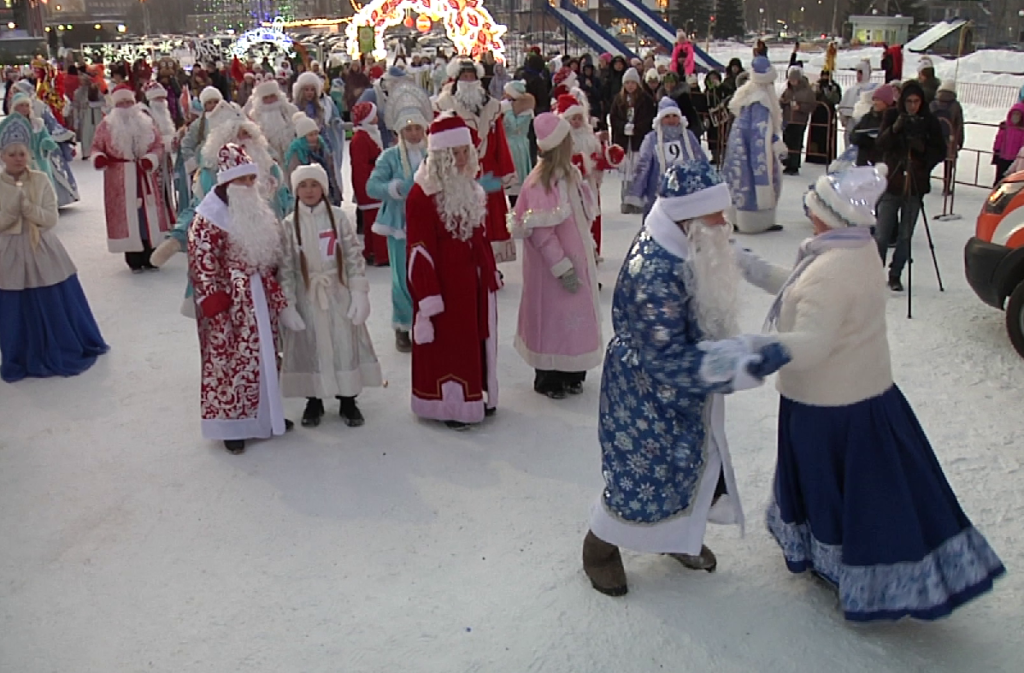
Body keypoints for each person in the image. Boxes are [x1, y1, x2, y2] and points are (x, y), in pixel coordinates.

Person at [740, 164, 1005, 622]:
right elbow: (799, 288)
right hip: (863, 394)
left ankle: (843, 567)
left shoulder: (832, 269)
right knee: (875, 487)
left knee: (837, 488)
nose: (808, 211)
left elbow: (813, 344)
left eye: (815, 205)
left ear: (830, 214)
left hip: (829, 407)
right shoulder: (854, 249)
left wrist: (756, 349)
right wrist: (752, 267)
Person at [581, 160, 790, 596]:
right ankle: (599, 547)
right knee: (641, 480)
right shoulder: (655, 272)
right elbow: (668, 359)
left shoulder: (686, 237)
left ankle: (676, 537)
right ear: (690, 217)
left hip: (679, 392)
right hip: (646, 392)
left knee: (689, 469)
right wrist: (744, 359)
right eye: (716, 214)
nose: (723, 222)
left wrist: (774, 276)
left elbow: (725, 256)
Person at [188, 143, 300, 455]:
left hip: (261, 296)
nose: (249, 186)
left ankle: (268, 416)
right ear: (227, 182)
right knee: (230, 364)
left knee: (265, 358)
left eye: (252, 179)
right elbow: (203, 262)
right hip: (231, 305)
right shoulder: (207, 218)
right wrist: (216, 302)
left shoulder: (257, 210)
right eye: (242, 181)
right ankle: (232, 426)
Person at [405, 112, 501, 430]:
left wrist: (488, 270)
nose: (460, 160)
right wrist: (428, 297)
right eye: (453, 154)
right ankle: (449, 404)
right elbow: (419, 252)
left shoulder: (470, 187)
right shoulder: (422, 195)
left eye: (464, 152)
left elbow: (479, 235)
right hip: (445, 284)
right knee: (451, 343)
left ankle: (474, 394)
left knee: (473, 339)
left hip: (471, 280)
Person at [0, 113, 108, 383]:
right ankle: (20, 352)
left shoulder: (40, 180)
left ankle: (60, 343)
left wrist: (29, 209)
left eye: (22, 153)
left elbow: (50, 218)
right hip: (9, 253)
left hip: (42, 248)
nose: (17, 158)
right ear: (3, 156)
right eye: (12, 153)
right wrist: (13, 211)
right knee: (13, 302)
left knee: (53, 296)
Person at [279, 163, 382, 428]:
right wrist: (288, 303)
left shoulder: (337, 217)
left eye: (314, 184)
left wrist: (358, 291)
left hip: (338, 291)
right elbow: (287, 267)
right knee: (309, 344)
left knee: (343, 343)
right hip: (307, 294)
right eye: (303, 185)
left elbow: (351, 254)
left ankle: (348, 397)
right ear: (296, 190)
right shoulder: (290, 224)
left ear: (324, 188)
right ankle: (313, 399)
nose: (309, 190)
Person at [509, 112, 601, 399]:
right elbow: (541, 232)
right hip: (553, 270)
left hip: (577, 259)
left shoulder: (569, 175)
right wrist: (561, 266)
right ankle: (549, 374)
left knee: (575, 317)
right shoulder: (539, 183)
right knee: (552, 318)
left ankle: (573, 369)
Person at [365, 85, 431, 352]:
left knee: (427, 274)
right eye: (408, 129)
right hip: (399, 226)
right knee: (402, 277)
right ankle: (403, 325)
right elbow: (372, 186)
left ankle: (427, 321)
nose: (414, 133)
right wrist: (395, 188)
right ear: (400, 131)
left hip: (428, 224)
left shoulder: (433, 154)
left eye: (418, 128)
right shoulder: (390, 157)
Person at [436, 57, 518, 264]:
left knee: (492, 220)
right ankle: (468, 261)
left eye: (472, 76)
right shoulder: (446, 106)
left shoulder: (492, 107)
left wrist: (505, 170)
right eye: (464, 76)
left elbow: (500, 140)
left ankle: (491, 264)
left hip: (489, 170)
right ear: (456, 79)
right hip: (460, 170)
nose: (469, 80)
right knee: (466, 217)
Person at [874, 81, 946, 291]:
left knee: (906, 235)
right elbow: (881, 144)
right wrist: (895, 130)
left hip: (915, 184)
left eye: (916, 102)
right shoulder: (892, 116)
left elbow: (940, 151)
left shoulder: (929, 121)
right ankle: (874, 274)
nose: (912, 106)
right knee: (881, 234)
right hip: (892, 181)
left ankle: (895, 274)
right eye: (908, 101)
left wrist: (923, 152)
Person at [91, 84, 170, 272]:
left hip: (145, 177)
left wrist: (151, 159)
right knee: (127, 215)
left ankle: (151, 253)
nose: (126, 106)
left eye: (129, 102)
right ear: (115, 105)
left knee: (146, 215)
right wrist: (99, 158)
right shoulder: (106, 125)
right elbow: (96, 146)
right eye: (122, 103)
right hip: (119, 178)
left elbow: (158, 145)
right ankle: (133, 256)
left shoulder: (147, 123)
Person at [557, 93, 624, 259]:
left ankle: (593, 251)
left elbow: (600, 158)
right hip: (571, 185)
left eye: (580, 118)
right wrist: (582, 162)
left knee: (592, 214)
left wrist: (609, 155)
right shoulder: (563, 139)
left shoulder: (590, 136)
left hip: (590, 184)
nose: (577, 122)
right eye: (573, 118)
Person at [724, 57, 786, 234]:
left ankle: (736, 218)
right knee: (755, 183)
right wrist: (775, 143)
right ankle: (757, 222)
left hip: (738, 149)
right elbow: (760, 134)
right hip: (753, 150)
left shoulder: (747, 94)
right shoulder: (761, 101)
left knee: (739, 183)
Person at [629, 97, 706, 219]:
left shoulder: (688, 137)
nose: (671, 120)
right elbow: (642, 167)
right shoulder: (651, 139)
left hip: (685, 193)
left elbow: (701, 161)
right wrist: (636, 192)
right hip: (658, 194)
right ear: (660, 119)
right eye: (667, 116)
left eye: (674, 116)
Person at [610, 67, 656, 214]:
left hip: (638, 141)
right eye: (627, 83)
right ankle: (625, 200)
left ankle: (637, 200)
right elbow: (613, 117)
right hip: (624, 141)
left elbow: (649, 119)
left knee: (638, 170)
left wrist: (636, 128)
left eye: (633, 83)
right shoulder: (619, 99)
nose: (630, 86)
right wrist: (623, 127)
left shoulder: (645, 99)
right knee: (626, 171)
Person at [293, 71, 346, 199]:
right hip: (302, 151)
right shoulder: (294, 108)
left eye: (312, 89)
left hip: (320, 149)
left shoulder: (319, 108)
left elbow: (324, 130)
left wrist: (328, 149)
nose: (309, 93)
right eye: (306, 89)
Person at [348, 101, 388, 267]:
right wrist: (366, 189)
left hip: (374, 182)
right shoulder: (361, 139)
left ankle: (372, 251)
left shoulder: (368, 134)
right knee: (376, 220)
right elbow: (360, 167)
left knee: (372, 221)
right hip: (370, 186)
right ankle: (380, 254)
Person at [284, 111, 341, 205]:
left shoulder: (322, 148)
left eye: (316, 133)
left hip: (327, 194)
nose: (314, 137)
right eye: (310, 135)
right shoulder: (296, 153)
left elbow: (331, 173)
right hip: (308, 196)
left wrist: (336, 193)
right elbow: (293, 178)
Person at [143, 82, 179, 223]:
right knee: (155, 191)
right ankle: (157, 221)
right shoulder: (146, 114)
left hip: (164, 158)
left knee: (165, 190)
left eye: (163, 99)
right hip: (153, 160)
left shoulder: (164, 114)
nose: (161, 102)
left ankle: (167, 218)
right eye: (158, 99)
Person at [248, 76, 298, 165]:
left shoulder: (290, 110)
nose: (270, 100)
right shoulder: (254, 116)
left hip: (292, 155)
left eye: (272, 96)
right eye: (266, 98)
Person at [502, 81, 536, 208]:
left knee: (517, 178)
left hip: (517, 146)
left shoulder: (525, 112)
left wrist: (508, 112)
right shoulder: (508, 108)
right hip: (512, 144)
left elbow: (515, 127)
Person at [779, 66, 816, 176]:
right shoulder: (788, 90)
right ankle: (788, 163)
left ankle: (794, 165)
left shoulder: (807, 91)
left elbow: (811, 105)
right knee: (787, 141)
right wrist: (782, 102)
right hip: (788, 119)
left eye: (793, 80)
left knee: (796, 142)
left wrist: (800, 107)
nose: (792, 82)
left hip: (799, 120)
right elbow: (783, 99)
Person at [180, 86, 224, 175]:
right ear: (204, 105)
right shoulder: (199, 124)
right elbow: (186, 144)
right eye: (209, 102)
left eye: (216, 102)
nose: (213, 105)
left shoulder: (228, 120)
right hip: (205, 169)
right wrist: (193, 165)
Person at [930, 80, 964, 195]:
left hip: (933, 138)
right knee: (948, 164)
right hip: (950, 139)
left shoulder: (933, 104)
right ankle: (946, 187)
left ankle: (926, 182)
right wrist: (960, 141)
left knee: (928, 161)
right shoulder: (955, 105)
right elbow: (959, 124)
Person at [850, 85, 896, 167]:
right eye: (874, 99)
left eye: (878, 100)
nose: (875, 102)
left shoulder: (892, 119)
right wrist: (860, 138)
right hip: (863, 164)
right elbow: (852, 136)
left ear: (886, 102)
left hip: (882, 165)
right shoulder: (867, 117)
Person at [806, 70, 841, 166]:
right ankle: (814, 156)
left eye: (827, 75)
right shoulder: (816, 85)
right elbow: (811, 97)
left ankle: (827, 155)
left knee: (828, 135)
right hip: (817, 113)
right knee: (816, 134)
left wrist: (830, 92)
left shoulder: (834, 86)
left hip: (828, 113)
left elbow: (836, 99)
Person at [838, 60, 877, 145]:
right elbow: (842, 107)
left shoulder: (872, 90)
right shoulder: (851, 90)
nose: (858, 76)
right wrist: (843, 117)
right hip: (851, 122)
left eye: (861, 73)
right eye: (857, 73)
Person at [72, 74, 104, 161]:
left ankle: (97, 151)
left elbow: (103, 101)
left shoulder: (95, 90)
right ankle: (86, 152)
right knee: (85, 134)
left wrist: (93, 104)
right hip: (84, 115)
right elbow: (75, 106)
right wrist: (76, 119)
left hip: (95, 114)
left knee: (96, 133)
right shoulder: (77, 92)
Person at [992, 102, 1024, 186]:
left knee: (1012, 181)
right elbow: (999, 139)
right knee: (999, 179)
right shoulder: (1005, 126)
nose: (1015, 117)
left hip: (1016, 160)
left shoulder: (1022, 129)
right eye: (1014, 114)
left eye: (1018, 114)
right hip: (1003, 157)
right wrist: (996, 151)